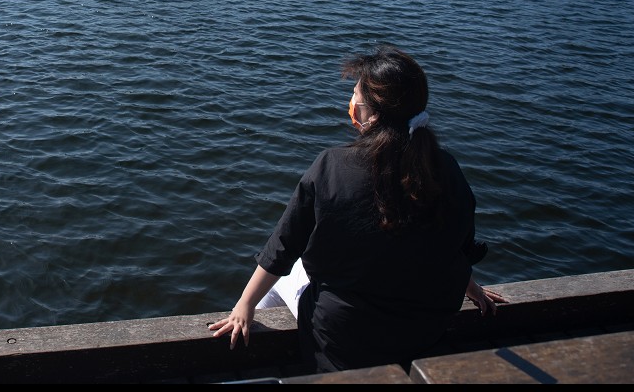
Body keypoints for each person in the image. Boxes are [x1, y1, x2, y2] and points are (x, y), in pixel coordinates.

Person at [209, 45, 506, 373]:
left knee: (289, 275)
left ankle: (252, 352)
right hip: (426, 329)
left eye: (355, 94)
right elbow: (458, 243)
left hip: (348, 341)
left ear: (370, 111)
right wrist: (472, 289)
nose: (351, 101)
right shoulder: (446, 167)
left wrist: (243, 306)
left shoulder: (333, 166)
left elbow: (282, 248)